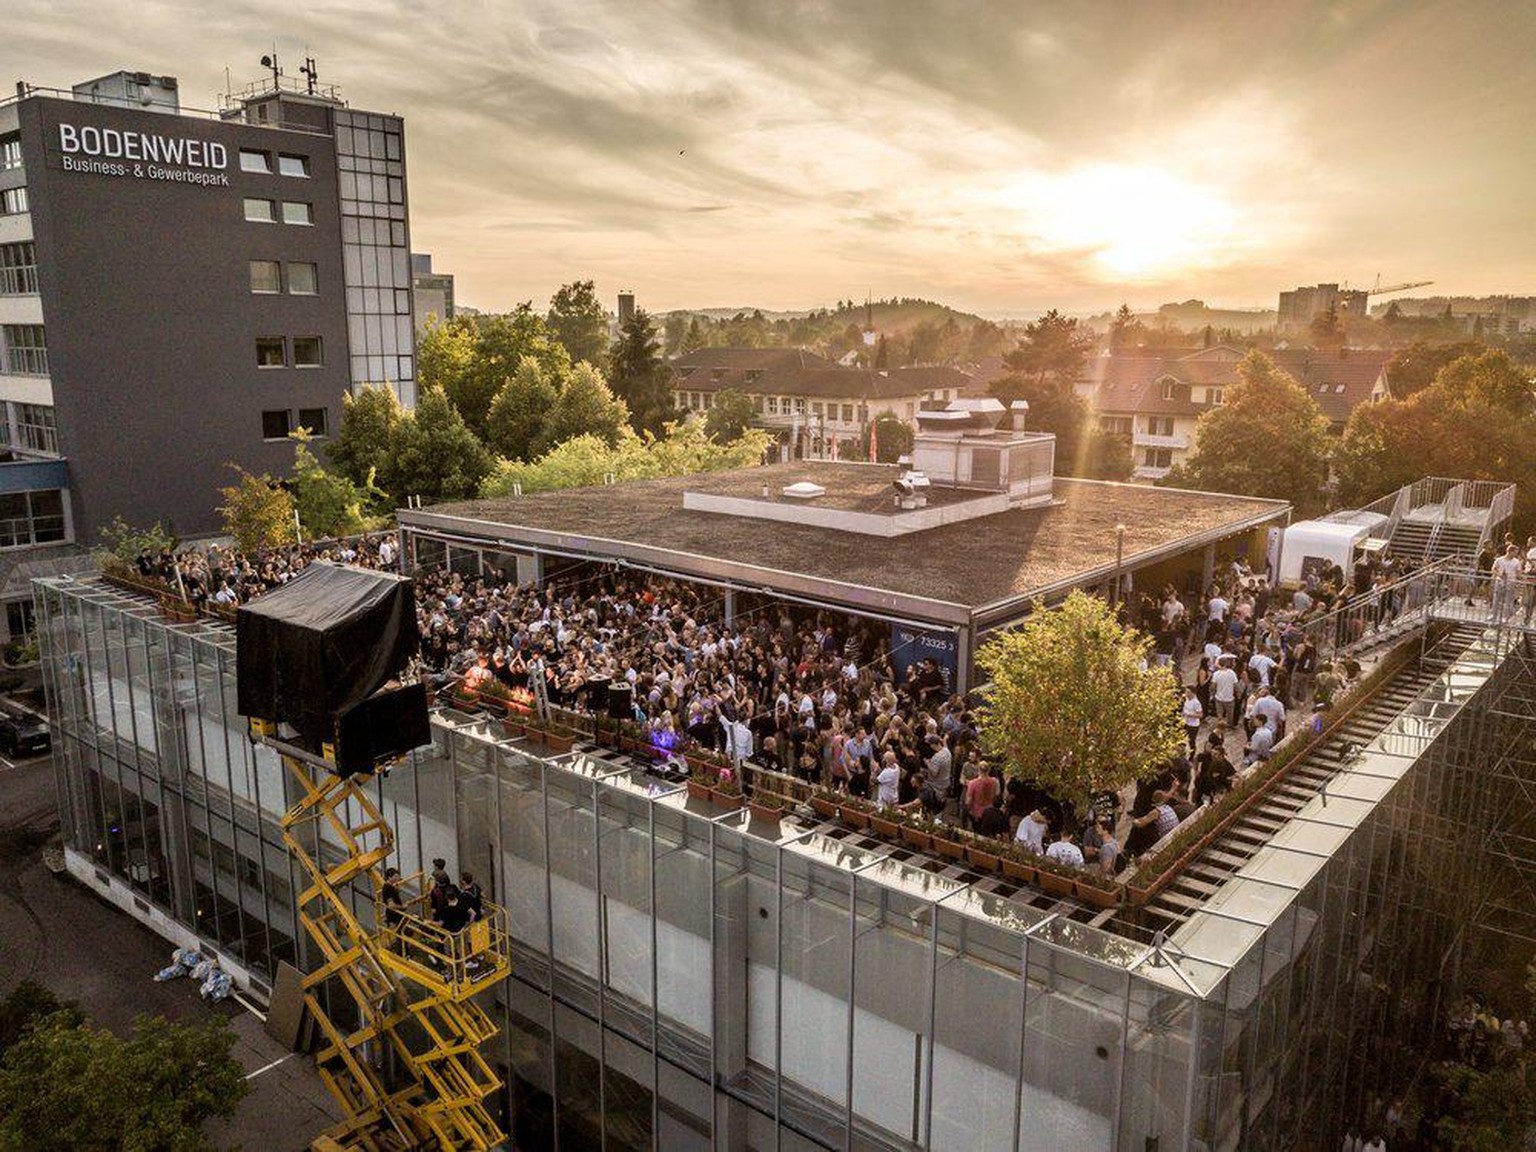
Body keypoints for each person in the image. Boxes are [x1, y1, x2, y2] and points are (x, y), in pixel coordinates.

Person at [1180, 685, 1204, 752]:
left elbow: (1200, 715)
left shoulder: (1196, 703)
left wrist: (1189, 714)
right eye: (1186, 692)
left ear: (1193, 693)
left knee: (1191, 741)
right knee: (1182, 738)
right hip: (1185, 722)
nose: (1186, 693)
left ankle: (1192, 754)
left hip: (1193, 725)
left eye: (1188, 692)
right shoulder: (1187, 699)